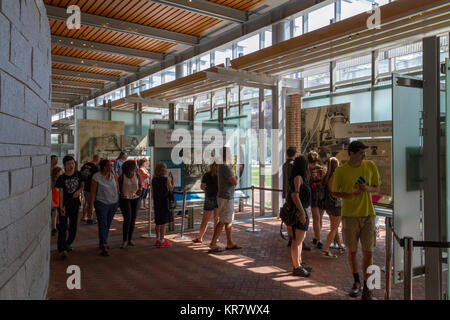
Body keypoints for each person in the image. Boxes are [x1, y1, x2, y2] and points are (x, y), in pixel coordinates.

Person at [331, 141, 381, 300]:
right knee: (352, 251)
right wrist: (350, 195)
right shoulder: (341, 171)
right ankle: (356, 282)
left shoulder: (370, 166)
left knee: (369, 252)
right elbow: (334, 193)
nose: (364, 155)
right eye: (361, 152)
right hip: (349, 216)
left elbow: (377, 188)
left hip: (368, 215)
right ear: (351, 153)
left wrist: (368, 189)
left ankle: (368, 287)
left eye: (364, 152)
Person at [208, 148, 241, 253]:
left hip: (224, 196)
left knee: (228, 221)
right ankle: (213, 244)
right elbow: (234, 182)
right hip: (226, 197)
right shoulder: (225, 167)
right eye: (230, 154)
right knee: (222, 221)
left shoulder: (221, 166)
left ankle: (229, 242)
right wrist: (236, 177)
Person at [287, 155, 313, 277]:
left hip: (303, 211)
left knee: (300, 239)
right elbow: (294, 195)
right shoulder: (298, 177)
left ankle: (299, 263)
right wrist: (302, 212)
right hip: (300, 213)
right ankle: (296, 266)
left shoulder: (300, 177)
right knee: (297, 241)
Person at [55, 156, 84, 260]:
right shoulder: (61, 178)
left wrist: (78, 191)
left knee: (73, 225)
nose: (71, 166)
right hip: (64, 205)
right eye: (68, 164)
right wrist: (61, 206)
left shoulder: (79, 174)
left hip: (75, 204)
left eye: (72, 163)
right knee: (63, 226)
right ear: (65, 166)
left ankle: (68, 243)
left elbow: (82, 185)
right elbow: (61, 193)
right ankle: (61, 249)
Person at [90, 159, 120, 257]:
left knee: (108, 224)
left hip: (113, 203)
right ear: (104, 167)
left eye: (111, 165)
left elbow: (117, 187)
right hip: (101, 203)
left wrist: (118, 199)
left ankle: (103, 241)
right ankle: (104, 245)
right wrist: (91, 206)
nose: (111, 167)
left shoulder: (114, 175)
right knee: (103, 223)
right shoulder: (96, 177)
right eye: (109, 165)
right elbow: (93, 192)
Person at [320, 157, 345, 258]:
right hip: (336, 205)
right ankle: (325, 250)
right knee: (334, 228)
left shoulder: (326, 176)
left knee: (334, 226)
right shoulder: (335, 176)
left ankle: (339, 245)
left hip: (329, 205)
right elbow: (335, 193)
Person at [192, 162, 219, 244]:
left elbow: (202, 186)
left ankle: (200, 237)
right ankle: (215, 238)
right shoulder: (219, 175)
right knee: (216, 219)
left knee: (205, 220)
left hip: (209, 198)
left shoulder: (207, 175)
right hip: (218, 198)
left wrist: (207, 190)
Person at [119, 160, 142, 249]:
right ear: (130, 167)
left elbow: (140, 186)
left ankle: (130, 239)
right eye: (134, 166)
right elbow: (118, 187)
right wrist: (120, 193)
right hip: (125, 199)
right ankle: (124, 240)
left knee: (133, 219)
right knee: (127, 218)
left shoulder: (137, 175)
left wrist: (140, 190)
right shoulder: (122, 177)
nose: (136, 167)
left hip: (135, 198)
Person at [307, 151, 327, 249]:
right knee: (320, 218)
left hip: (313, 195)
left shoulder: (308, 170)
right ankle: (317, 237)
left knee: (316, 218)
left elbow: (307, 183)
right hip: (322, 196)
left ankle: (318, 239)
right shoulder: (322, 169)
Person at [152, 162, 174, 247]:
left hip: (157, 203)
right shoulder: (166, 179)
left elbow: (153, 193)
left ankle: (157, 239)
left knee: (158, 222)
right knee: (163, 223)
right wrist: (172, 179)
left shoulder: (153, 180)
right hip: (164, 203)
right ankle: (162, 240)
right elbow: (171, 188)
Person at [80, 155, 100, 224]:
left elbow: (81, 174)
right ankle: (89, 218)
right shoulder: (95, 167)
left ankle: (83, 216)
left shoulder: (85, 165)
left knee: (86, 202)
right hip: (91, 187)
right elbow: (97, 178)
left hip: (84, 185)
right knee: (90, 203)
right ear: (97, 160)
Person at [51, 167, 63, 236]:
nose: (61, 173)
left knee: (59, 213)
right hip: (53, 200)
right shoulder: (52, 181)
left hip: (59, 200)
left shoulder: (61, 180)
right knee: (54, 213)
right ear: (57, 173)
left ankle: (57, 225)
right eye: (60, 172)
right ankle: (54, 228)